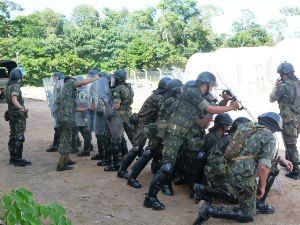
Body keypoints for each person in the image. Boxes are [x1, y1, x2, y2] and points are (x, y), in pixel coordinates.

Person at [143, 71, 239, 210]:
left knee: (180, 162)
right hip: (173, 134)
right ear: (206, 83)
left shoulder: (195, 96)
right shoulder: (193, 92)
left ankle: (189, 186)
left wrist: (225, 101)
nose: (211, 88)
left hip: (179, 135)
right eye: (211, 85)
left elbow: (203, 120)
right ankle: (150, 198)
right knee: (167, 167)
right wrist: (231, 107)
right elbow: (210, 109)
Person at [195, 112, 283, 224]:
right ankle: (209, 210)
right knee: (248, 214)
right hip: (240, 175)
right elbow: (263, 167)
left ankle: (257, 203)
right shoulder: (269, 136)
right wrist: (262, 186)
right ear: (275, 128)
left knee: (273, 167)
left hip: (228, 169)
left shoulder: (246, 128)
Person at [127, 79, 183, 191]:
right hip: (164, 131)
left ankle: (132, 177)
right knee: (165, 157)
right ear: (177, 90)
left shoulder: (167, 99)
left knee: (150, 152)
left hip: (160, 129)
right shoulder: (172, 101)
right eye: (181, 88)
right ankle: (165, 185)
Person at [117, 77, 171, 179]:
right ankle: (122, 170)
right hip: (143, 123)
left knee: (154, 145)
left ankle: (154, 167)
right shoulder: (158, 97)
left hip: (150, 124)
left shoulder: (160, 95)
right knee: (137, 148)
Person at [56, 75, 99, 171]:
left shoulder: (67, 93)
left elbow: (74, 108)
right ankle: (60, 163)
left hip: (66, 117)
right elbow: (82, 82)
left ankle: (66, 160)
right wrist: (94, 79)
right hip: (66, 118)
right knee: (65, 139)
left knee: (67, 137)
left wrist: (87, 108)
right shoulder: (69, 84)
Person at [270, 62, 300, 180]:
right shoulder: (298, 83)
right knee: (292, 140)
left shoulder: (283, 86)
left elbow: (272, 98)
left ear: (283, 74)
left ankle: (296, 170)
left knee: (290, 144)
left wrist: (275, 86)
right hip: (298, 118)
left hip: (288, 120)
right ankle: (289, 162)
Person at [5, 67, 31, 167]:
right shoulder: (15, 86)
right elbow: (14, 99)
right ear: (19, 76)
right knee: (19, 137)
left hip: (11, 114)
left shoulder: (8, 86)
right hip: (17, 114)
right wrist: (21, 108)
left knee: (13, 136)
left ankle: (12, 158)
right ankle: (18, 159)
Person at [46, 72, 65, 152]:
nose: (53, 80)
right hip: (56, 109)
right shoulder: (57, 86)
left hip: (61, 110)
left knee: (58, 128)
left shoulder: (62, 86)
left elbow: (59, 98)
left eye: (55, 78)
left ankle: (56, 145)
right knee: (58, 127)